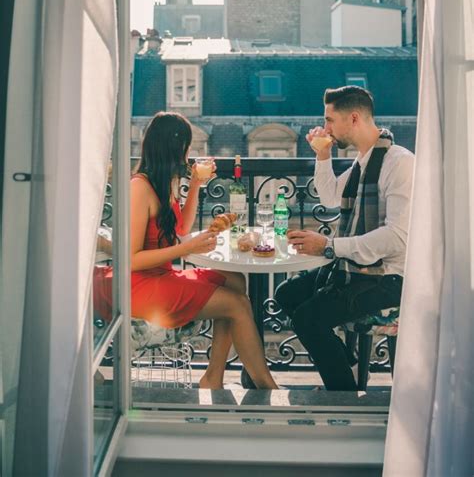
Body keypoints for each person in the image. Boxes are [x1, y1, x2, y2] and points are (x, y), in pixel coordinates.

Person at [95, 111, 277, 390]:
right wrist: (187, 249)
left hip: (159, 275)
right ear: (175, 146)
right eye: (187, 146)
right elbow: (130, 260)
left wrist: (194, 185)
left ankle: (212, 377)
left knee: (237, 280)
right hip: (139, 283)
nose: (188, 153)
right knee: (237, 305)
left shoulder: (163, 181)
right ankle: (265, 384)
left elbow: (181, 228)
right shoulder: (139, 188)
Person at [275, 86, 414, 391]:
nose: (326, 128)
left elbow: (397, 238)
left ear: (353, 118)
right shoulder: (363, 161)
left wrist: (329, 246)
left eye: (329, 120)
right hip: (357, 268)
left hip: (388, 277)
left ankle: (344, 395)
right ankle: (344, 363)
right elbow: (329, 197)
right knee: (286, 294)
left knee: (308, 319)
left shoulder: (398, 163)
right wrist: (323, 155)